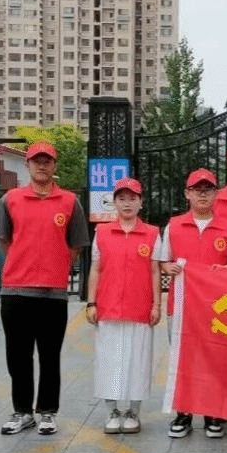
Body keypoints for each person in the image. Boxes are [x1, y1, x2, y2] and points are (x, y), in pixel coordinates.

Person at [0, 142, 89, 436]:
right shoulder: (10, 199)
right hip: (16, 291)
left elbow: (76, 244)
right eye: (36, 161)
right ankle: (22, 412)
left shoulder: (69, 201)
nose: (42, 165)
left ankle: (47, 412)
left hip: (53, 293)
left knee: (50, 356)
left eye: (47, 161)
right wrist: (22, 262)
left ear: (54, 166)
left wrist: (56, 265)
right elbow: (4, 239)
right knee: (18, 356)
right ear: (28, 165)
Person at [157, 168, 227, 438]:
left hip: (216, 308)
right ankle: (183, 413)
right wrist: (169, 267)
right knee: (183, 359)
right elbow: (163, 261)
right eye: (197, 190)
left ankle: (212, 413)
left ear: (216, 194)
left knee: (214, 360)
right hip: (181, 306)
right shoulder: (174, 226)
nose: (203, 195)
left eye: (208, 190)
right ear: (187, 194)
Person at [86, 177, 162, 436]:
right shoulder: (102, 232)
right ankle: (112, 410)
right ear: (114, 202)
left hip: (139, 309)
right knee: (109, 360)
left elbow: (155, 271)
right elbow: (95, 269)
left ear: (141, 202)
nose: (127, 204)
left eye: (132, 198)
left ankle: (133, 411)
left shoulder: (152, 233)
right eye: (122, 199)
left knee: (137, 361)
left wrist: (156, 305)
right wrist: (91, 302)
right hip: (108, 308)